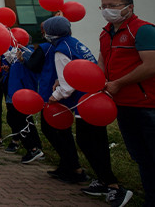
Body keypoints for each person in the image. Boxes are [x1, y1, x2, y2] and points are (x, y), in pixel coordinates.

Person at [37, 16, 132, 206]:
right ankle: (104, 181)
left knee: (89, 142)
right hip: (95, 98)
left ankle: (114, 187)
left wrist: (55, 96)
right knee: (98, 142)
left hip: (86, 102)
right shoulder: (74, 43)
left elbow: (68, 83)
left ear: (51, 32)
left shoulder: (60, 50)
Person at [99, 0, 155, 206]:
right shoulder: (106, 33)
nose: (107, 11)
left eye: (112, 6)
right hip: (124, 105)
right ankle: (154, 199)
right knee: (143, 159)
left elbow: (152, 66)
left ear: (129, 7)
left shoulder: (144, 31)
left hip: (153, 106)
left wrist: (118, 83)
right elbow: (102, 63)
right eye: (103, 6)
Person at [4, 47, 44, 164]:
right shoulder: (15, 52)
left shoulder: (28, 52)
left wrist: (22, 60)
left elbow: (33, 68)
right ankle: (36, 147)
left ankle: (33, 148)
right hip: (14, 90)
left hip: (21, 92)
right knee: (24, 120)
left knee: (16, 120)